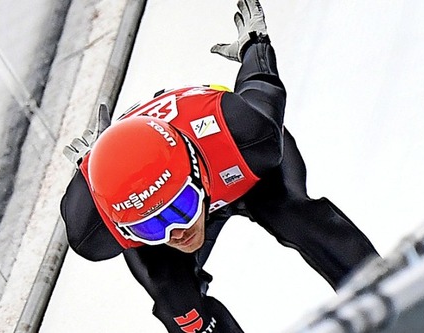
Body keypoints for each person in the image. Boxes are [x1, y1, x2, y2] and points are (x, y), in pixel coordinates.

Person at [60, 0, 379, 331]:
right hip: (213, 169)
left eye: (180, 208)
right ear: (125, 227)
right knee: (178, 302)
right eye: (152, 228)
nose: (178, 232)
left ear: (197, 175)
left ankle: (385, 287)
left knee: (295, 215)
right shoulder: (93, 225)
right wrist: (93, 166)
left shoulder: (247, 134)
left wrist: (255, 43)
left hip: (238, 165)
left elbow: (260, 83)